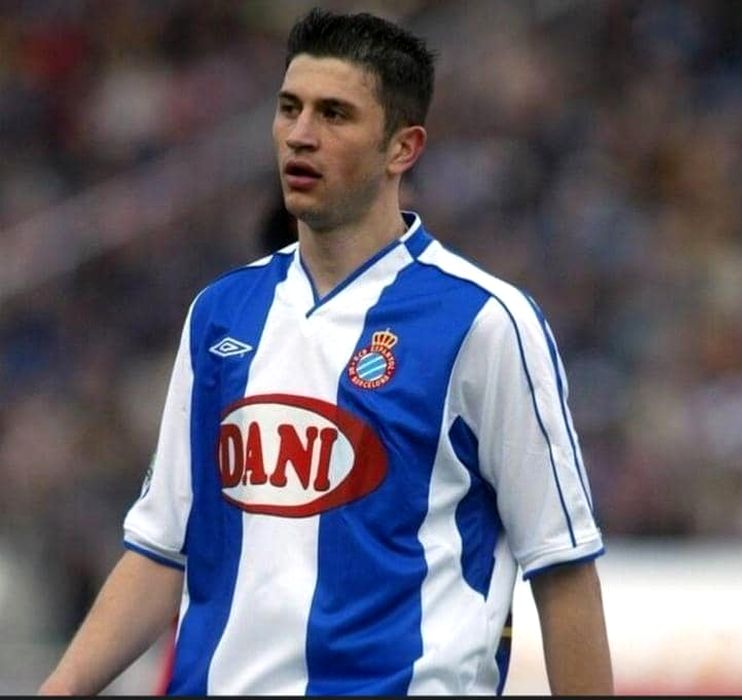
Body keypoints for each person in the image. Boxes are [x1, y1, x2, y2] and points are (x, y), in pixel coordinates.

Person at [39, 8, 613, 696]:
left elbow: (561, 566)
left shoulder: (485, 322)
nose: (300, 135)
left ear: (402, 148)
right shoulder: (220, 313)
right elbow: (162, 549)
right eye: (289, 108)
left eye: (334, 114)